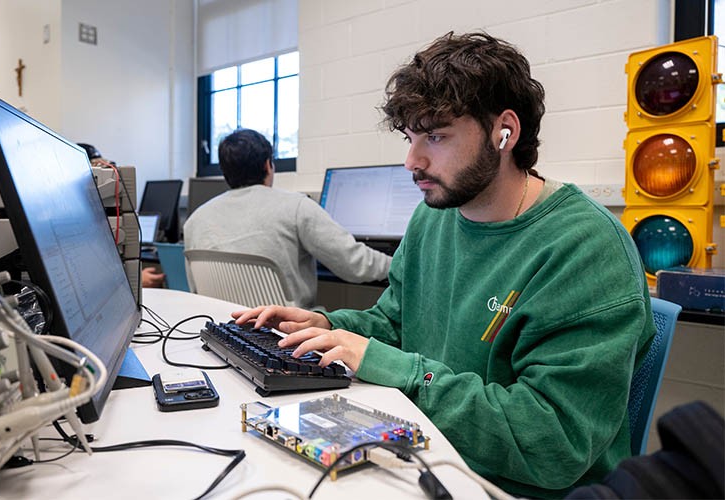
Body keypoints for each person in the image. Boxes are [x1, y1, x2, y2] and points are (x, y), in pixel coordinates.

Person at [233, 32, 656, 498]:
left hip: (512, 486)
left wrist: (405, 373)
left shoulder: (584, 248)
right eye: (411, 137)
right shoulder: (433, 217)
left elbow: (552, 445)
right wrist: (326, 326)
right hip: (430, 456)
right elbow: (395, 322)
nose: (412, 161)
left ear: (505, 132)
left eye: (436, 136)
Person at [182, 128, 391, 309]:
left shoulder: (194, 222)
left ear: (225, 172)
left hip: (224, 336)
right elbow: (355, 265)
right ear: (267, 165)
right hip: (286, 338)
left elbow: (195, 290)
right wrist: (401, 265)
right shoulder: (296, 206)